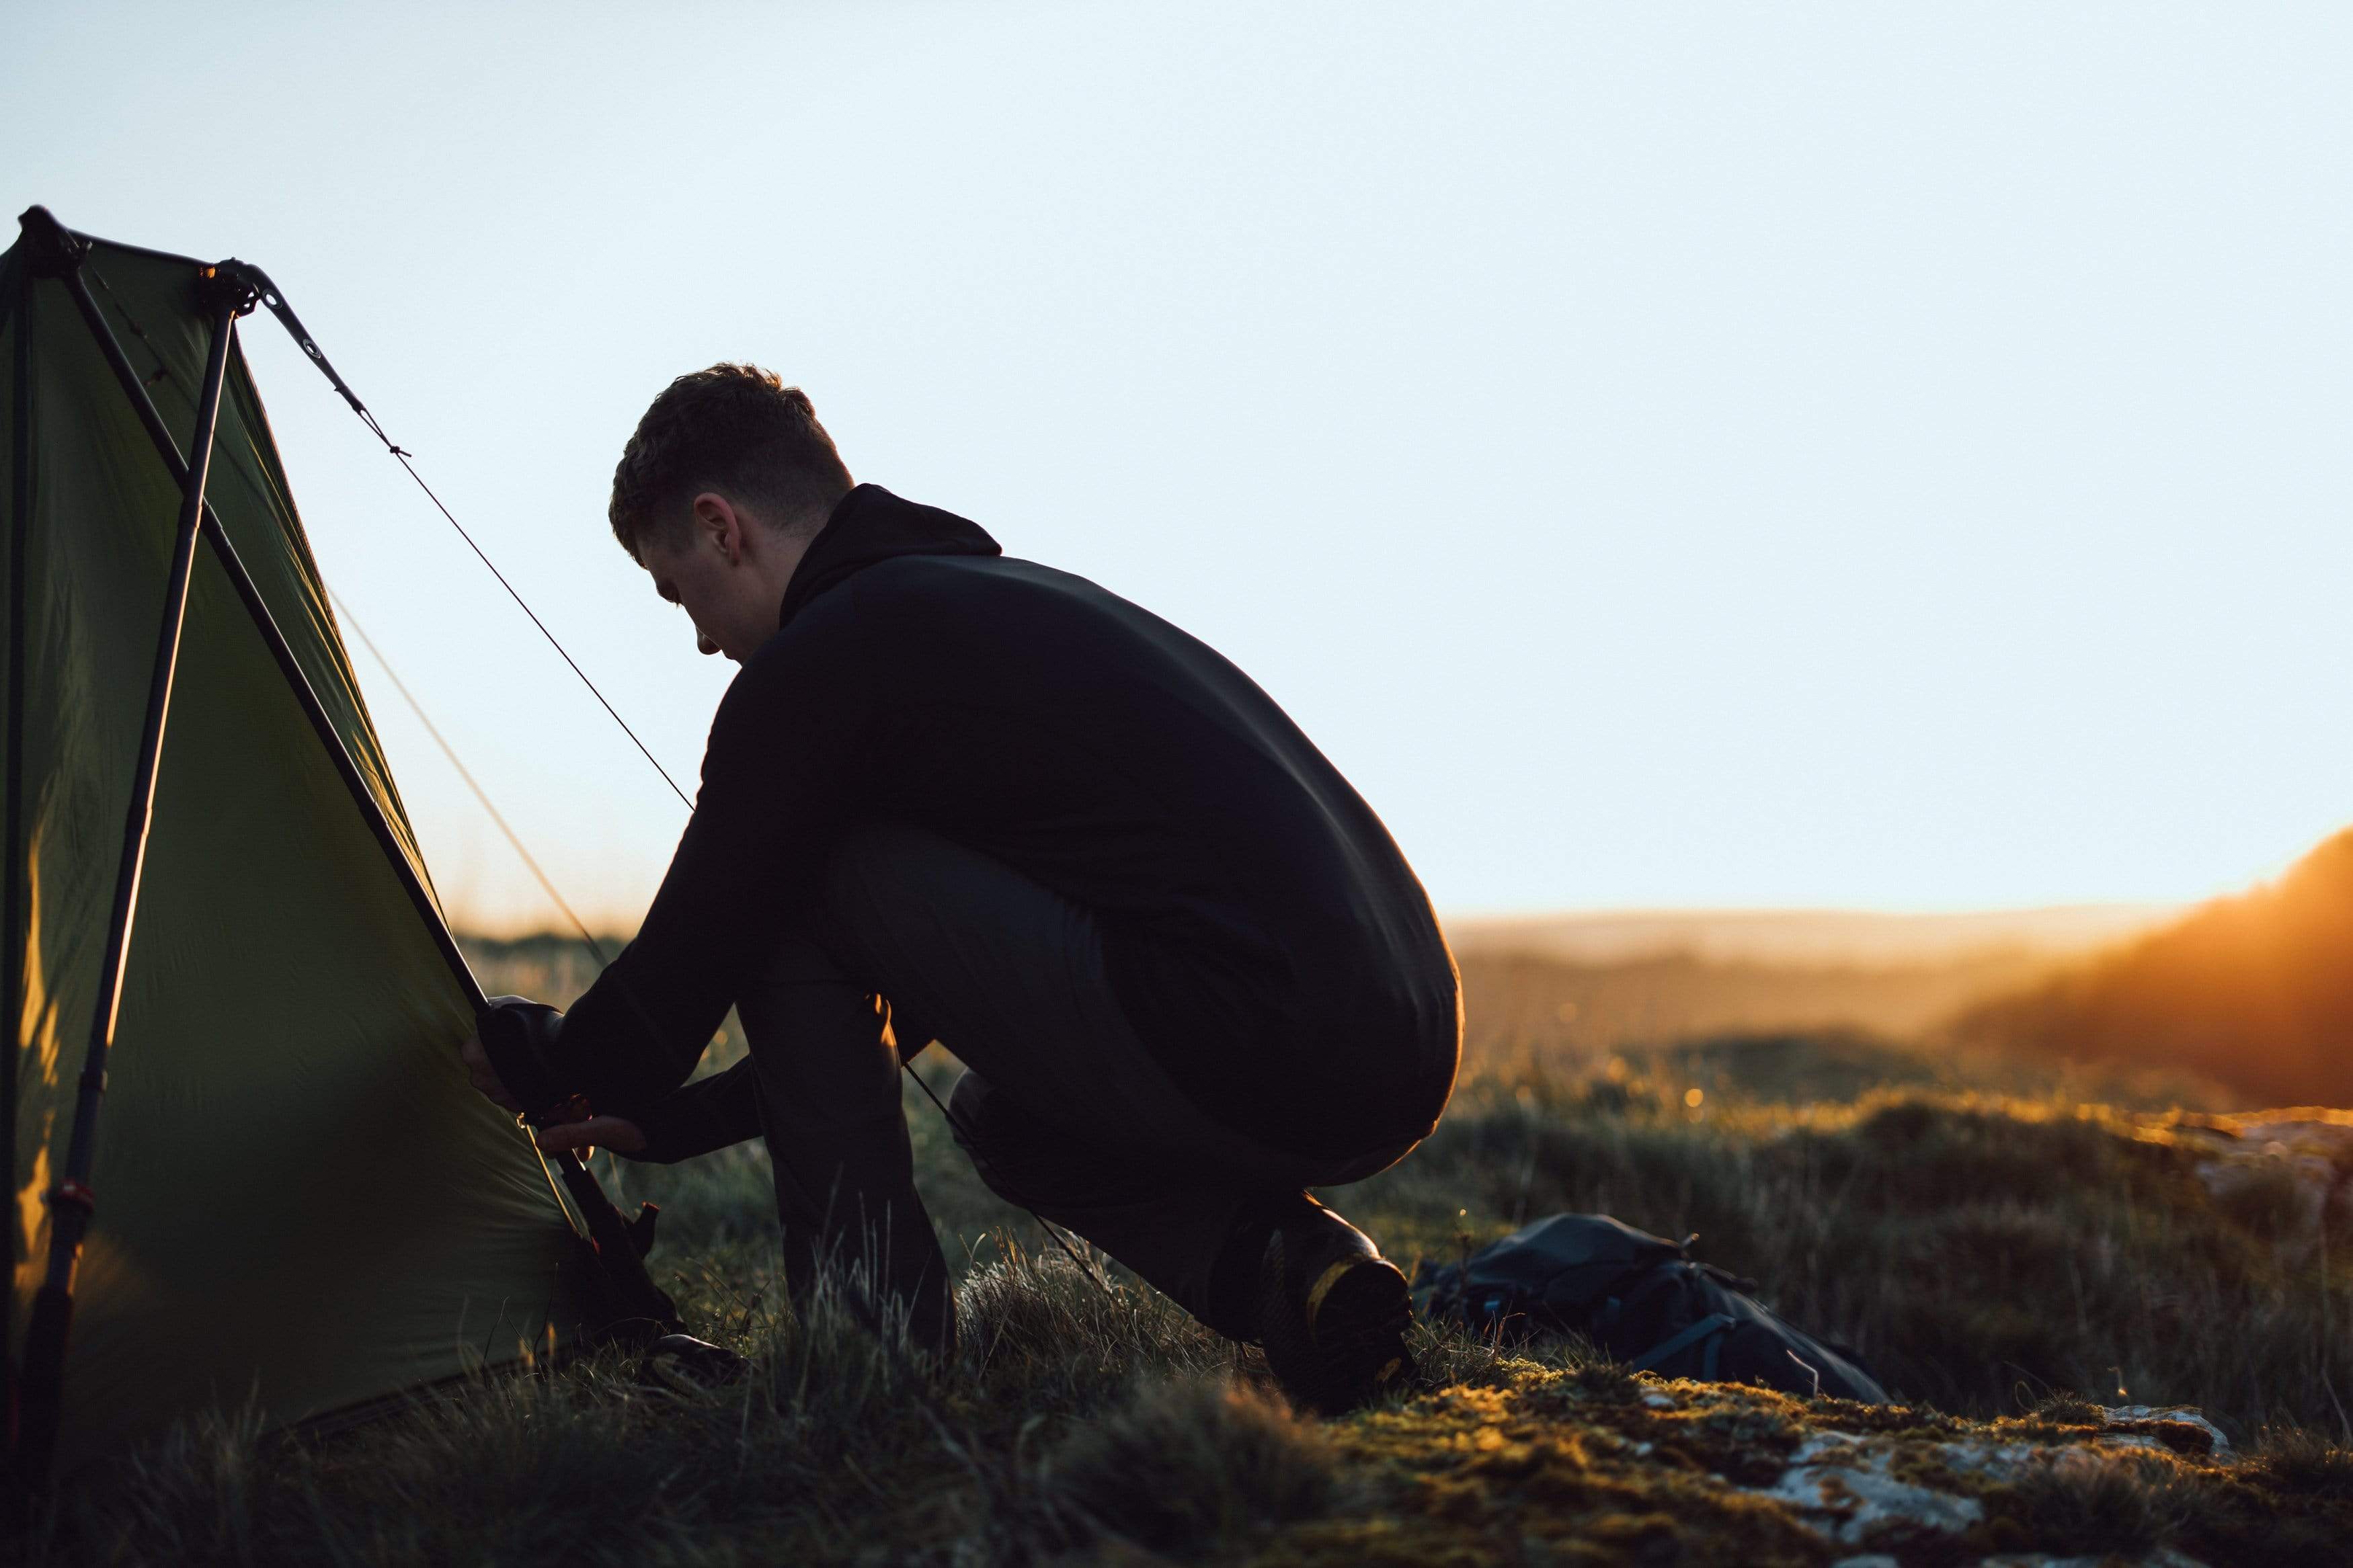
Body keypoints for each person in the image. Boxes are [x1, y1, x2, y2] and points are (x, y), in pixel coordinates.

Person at [460, 364, 1460, 1412]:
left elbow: (690, 960)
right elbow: (940, 992)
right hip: (1401, 1049)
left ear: (721, 527)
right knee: (1001, 1116)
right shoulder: (1000, 605)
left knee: (803, 866)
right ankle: (1295, 1269)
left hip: (1258, 1032)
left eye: (681, 595)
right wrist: (671, 1126)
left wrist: (548, 1060)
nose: (704, 638)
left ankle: (871, 1356)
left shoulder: (821, 665)